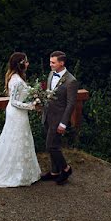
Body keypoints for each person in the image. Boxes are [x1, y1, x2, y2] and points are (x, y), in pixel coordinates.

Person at [0, 52, 42, 187]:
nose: (28, 64)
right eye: (26, 62)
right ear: (20, 64)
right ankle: (14, 173)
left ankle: (24, 171)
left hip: (19, 112)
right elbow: (13, 101)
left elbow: (24, 91)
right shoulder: (16, 80)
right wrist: (31, 106)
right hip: (16, 113)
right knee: (17, 139)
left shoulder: (18, 78)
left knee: (21, 138)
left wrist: (36, 93)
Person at [38, 50, 79, 185]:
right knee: (53, 145)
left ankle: (66, 169)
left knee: (51, 146)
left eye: (53, 62)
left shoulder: (71, 81)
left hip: (58, 119)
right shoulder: (51, 74)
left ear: (62, 63)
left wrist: (63, 123)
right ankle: (55, 172)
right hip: (47, 116)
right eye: (50, 62)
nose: (50, 65)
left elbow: (71, 104)